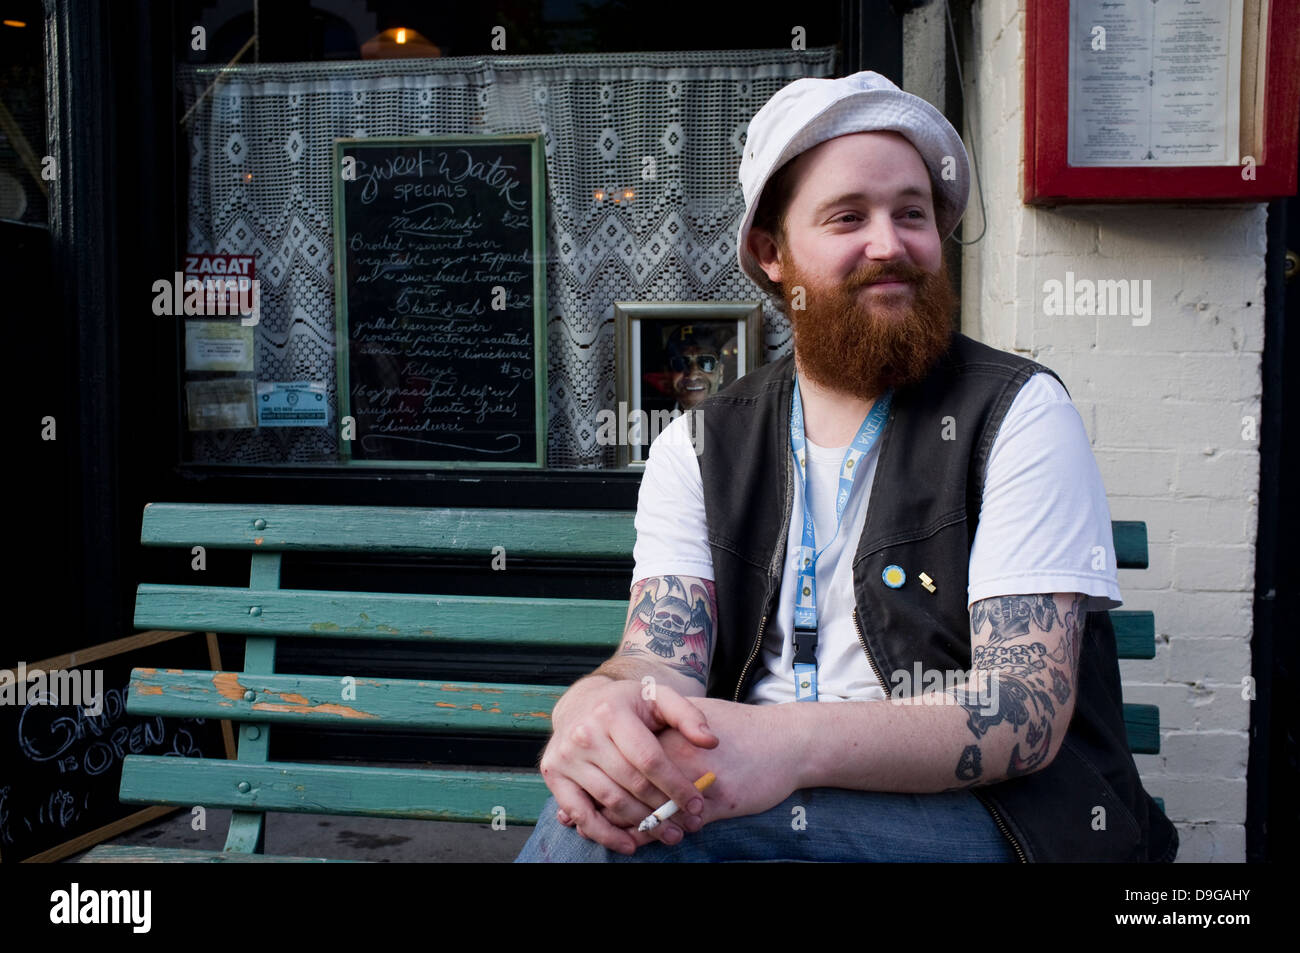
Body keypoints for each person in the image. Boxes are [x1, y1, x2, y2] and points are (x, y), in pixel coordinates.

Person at [516, 70, 1178, 863]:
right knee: (598, 821)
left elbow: (1021, 707)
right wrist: (595, 707)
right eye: (847, 217)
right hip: (759, 795)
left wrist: (783, 744)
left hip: (992, 818)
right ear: (772, 253)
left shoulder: (1019, 413)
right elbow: (663, 654)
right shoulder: (699, 446)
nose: (889, 244)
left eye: (912, 214)